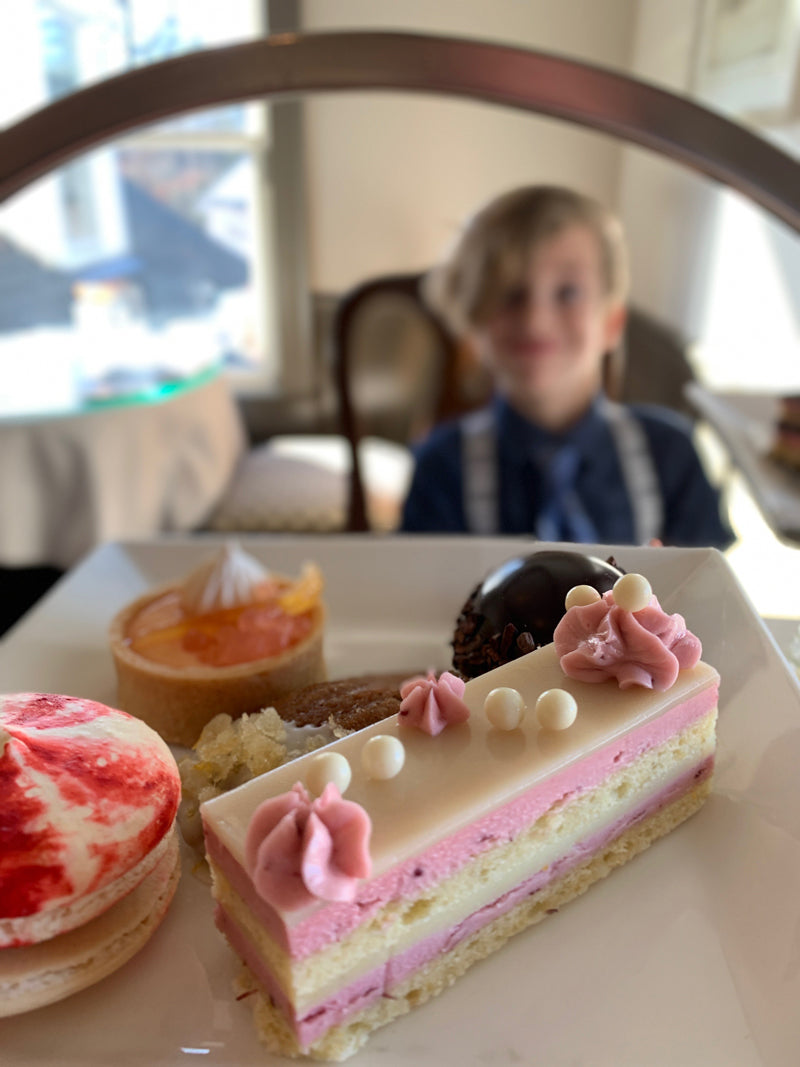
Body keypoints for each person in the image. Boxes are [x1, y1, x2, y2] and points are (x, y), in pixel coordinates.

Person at [399, 185, 733, 548]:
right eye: (511, 294)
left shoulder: (671, 454)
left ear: (612, 323)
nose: (535, 321)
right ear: (474, 318)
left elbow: (706, 576)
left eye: (568, 293)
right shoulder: (441, 467)